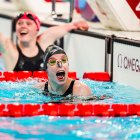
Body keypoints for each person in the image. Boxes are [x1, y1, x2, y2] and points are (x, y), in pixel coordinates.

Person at [0, 11, 89, 71]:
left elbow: (64, 28)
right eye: (19, 23)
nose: (23, 26)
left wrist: (76, 24)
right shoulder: (10, 50)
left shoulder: (44, 42)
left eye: (28, 23)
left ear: (37, 29)